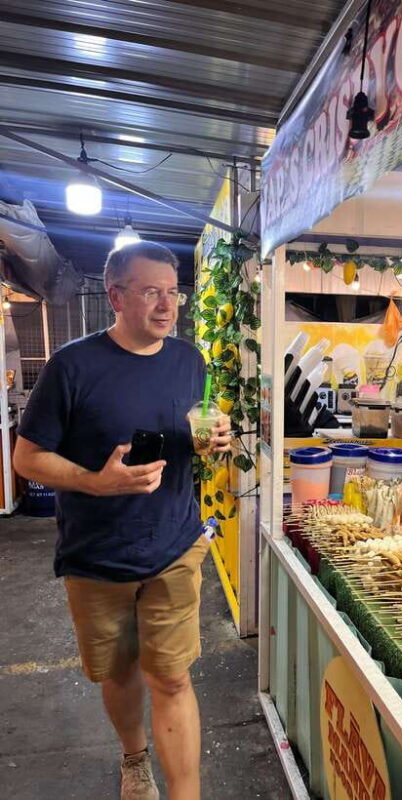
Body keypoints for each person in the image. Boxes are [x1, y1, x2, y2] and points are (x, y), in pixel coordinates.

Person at [13, 241, 231, 800]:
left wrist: (215, 441)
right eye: (151, 291)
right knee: (119, 671)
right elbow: (27, 458)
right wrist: (94, 480)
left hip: (174, 545)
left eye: (173, 291)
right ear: (115, 295)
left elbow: (193, 435)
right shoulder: (72, 365)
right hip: (97, 553)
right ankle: (135, 759)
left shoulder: (190, 361)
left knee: (173, 676)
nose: (167, 304)